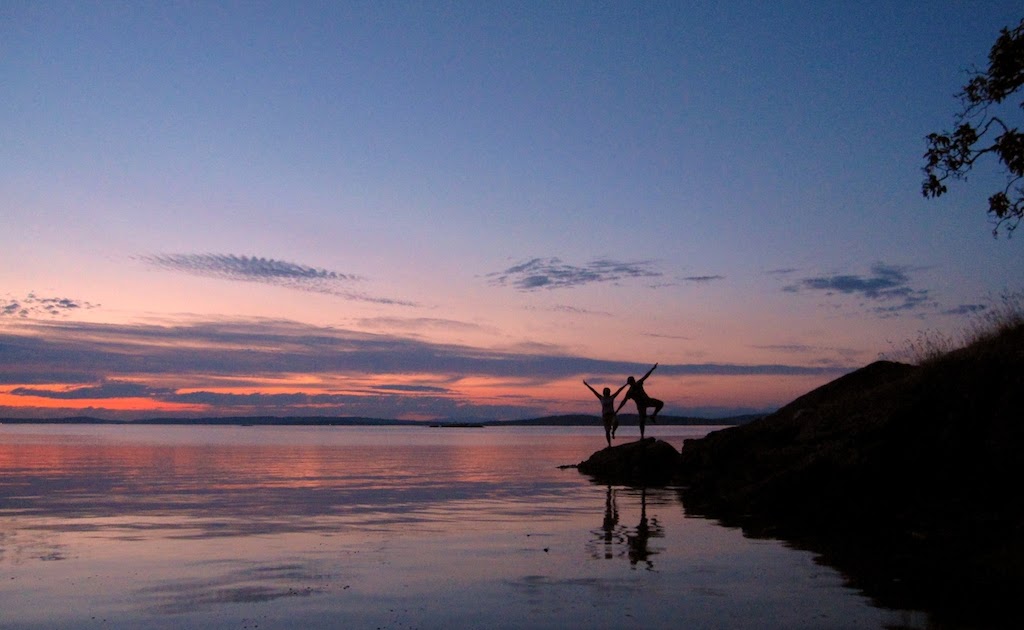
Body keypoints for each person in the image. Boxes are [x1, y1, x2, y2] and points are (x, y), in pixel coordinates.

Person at [616, 363, 663, 439]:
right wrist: (617, 410)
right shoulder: (630, 392)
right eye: (630, 382)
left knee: (660, 404)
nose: (632, 383)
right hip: (641, 406)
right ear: (629, 383)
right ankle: (642, 436)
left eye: (632, 381)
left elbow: (646, 376)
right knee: (642, 421)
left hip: (647, 401)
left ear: (633, 381)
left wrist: (652, 369)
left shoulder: (639, 383)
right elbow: (623, 401)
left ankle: (653, 416)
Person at [584, 379, 627, 447]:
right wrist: (587, 385)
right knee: (607, 431)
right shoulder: (601, 398)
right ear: (604, 392)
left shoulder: (612, 397)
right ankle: (609, 445)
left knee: (616, 422)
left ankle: (613, 432)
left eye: (608, 391)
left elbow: (619, 390)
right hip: (605, 416)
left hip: (612, 414)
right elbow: (593, 391)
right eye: (605, 391)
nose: (606, 392)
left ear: (609, 392)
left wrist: (626, 384)